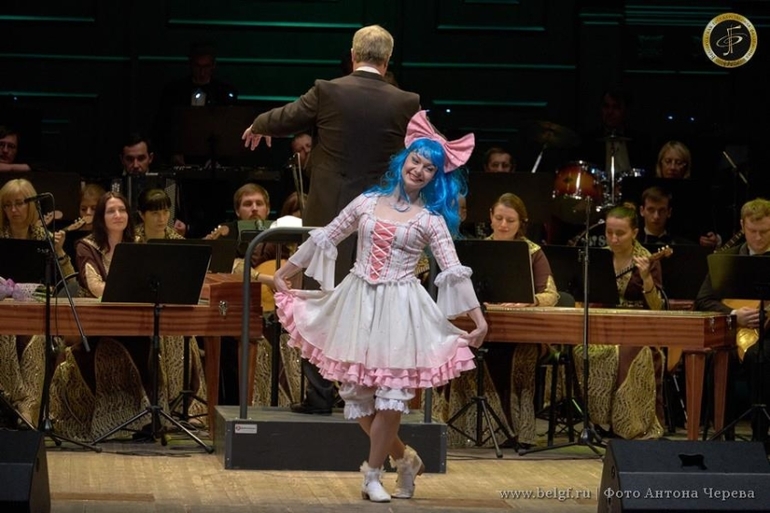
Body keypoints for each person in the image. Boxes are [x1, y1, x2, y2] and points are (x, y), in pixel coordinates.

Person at [271, 112, 485, 502]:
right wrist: (286, 270)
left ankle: (372, 474)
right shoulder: (368, 202)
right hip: (358, 302)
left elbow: (452, 269)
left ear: (436, 177)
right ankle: (405, 459)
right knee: (357, 397)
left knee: (391, 395)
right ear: (404, 160)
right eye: (416, 161)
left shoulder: (430, 220)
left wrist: (477, 317)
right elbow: (329, 234)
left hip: (400, 308)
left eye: (429, 168)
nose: (419, 170)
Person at [242, 24, 420, 415]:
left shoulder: (328, 91)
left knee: (319, 301)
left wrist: (259, 124)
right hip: (382, 219)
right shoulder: (407, 102)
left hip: (329, 218)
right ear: (388, 59)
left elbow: (287, 117)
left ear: (353, 55)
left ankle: (320, 396)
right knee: (376, 304)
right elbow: (431, 149)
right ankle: (373, 395)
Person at [49, 192, 152, 440]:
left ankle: (147, 421)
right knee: (110, 350)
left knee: (157, 343)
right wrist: (131, 290)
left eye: (122, 210)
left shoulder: (139, 243)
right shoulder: (87, 246)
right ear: (101, 217)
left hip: (134, 322)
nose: (118, 215)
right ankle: (110, 423)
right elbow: (95, 287)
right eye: (110, 211)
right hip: (98, 324)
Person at [572, 203, 665, 440]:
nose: (613, 239)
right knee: (582, 350)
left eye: (620, 233)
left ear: (635, 232)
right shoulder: (598, 258)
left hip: (638, 328)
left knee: (622, 354)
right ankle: (598, 421)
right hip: (603, 325)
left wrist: (646, 278)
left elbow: (657, 307)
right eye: (609, 233)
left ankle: (628, 424)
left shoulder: (648, 259)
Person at [483, 193, 559, 448]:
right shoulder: (479, 249)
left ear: (521, 223)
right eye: (499, 218)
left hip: (523, 332)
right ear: (490, 217)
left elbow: (551, 294)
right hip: (486, 328)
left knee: (516, 355)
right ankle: (479, 431)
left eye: (510, 220)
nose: (503, 225)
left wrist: (531, 301)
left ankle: (516, 433)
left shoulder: (533, 252)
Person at [0, 178, 76, 426]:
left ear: (31, 205)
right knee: (5, 337)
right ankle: (15, 402)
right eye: (7, 205)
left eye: (19, 203)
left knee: (39, 340)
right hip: (3, 315)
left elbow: (70, 284)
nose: (13, 210)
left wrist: (60, 252)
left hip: (37, 316)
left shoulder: (47, 239)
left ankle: (29, 408)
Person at [694, 198, 770, 439]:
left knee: (760, 357)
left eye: (765, 231)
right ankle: (723, 433)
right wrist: (734, 315)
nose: (758, 237)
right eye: (752, 231)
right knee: (717, 359)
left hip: (768, 335)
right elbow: (703, 300)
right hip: (733, 332)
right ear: (742, 226)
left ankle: (760, 436)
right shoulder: (726, 259)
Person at [154, 41, 238, 164]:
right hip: (180, 159)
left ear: (213, 65)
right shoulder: (173, 91)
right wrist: (173, 152)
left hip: (214, 162)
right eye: (198, 66)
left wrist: (218, 159)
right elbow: (163, 126)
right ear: (190, 64)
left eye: (206, 67)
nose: (202, 72)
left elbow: (230, 131)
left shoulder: (223, 93)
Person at [118, 133, 188, 237]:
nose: (135, 165)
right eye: (130, 159)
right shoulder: (114, 183)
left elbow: (178, 218)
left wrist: (180, 225)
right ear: (122, 159)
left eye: (141, 158)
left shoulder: (167, 182)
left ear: (150, 158)